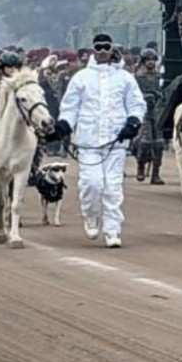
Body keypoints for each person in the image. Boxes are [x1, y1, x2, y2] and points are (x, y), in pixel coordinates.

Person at [54, 34, 147, 248]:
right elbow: (70, 107)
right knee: (92, 184)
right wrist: (64, 125)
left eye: (107, 46)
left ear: (112, 49)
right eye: (99, 47)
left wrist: (133, 122)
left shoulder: (125, 77)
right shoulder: (81, 78)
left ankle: (113, 230)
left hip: (116, 141)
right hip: (88, 141)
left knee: (112, 187)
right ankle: (91, 215)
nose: (103, 50)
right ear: (93, 50)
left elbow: (136, 104)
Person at [132, 49, 166, 184]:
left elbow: (162, 92)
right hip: (143, 111)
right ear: (143, 62)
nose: (151, 62)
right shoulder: (138, 77)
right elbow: (134, 95)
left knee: (159, 144)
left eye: (153, 59)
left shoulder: (159, 76)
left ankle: (155, 174)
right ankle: (140, 166)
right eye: (148, 60)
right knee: (145, 142)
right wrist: (146, 96)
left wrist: (159, 95)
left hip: (156, 111)